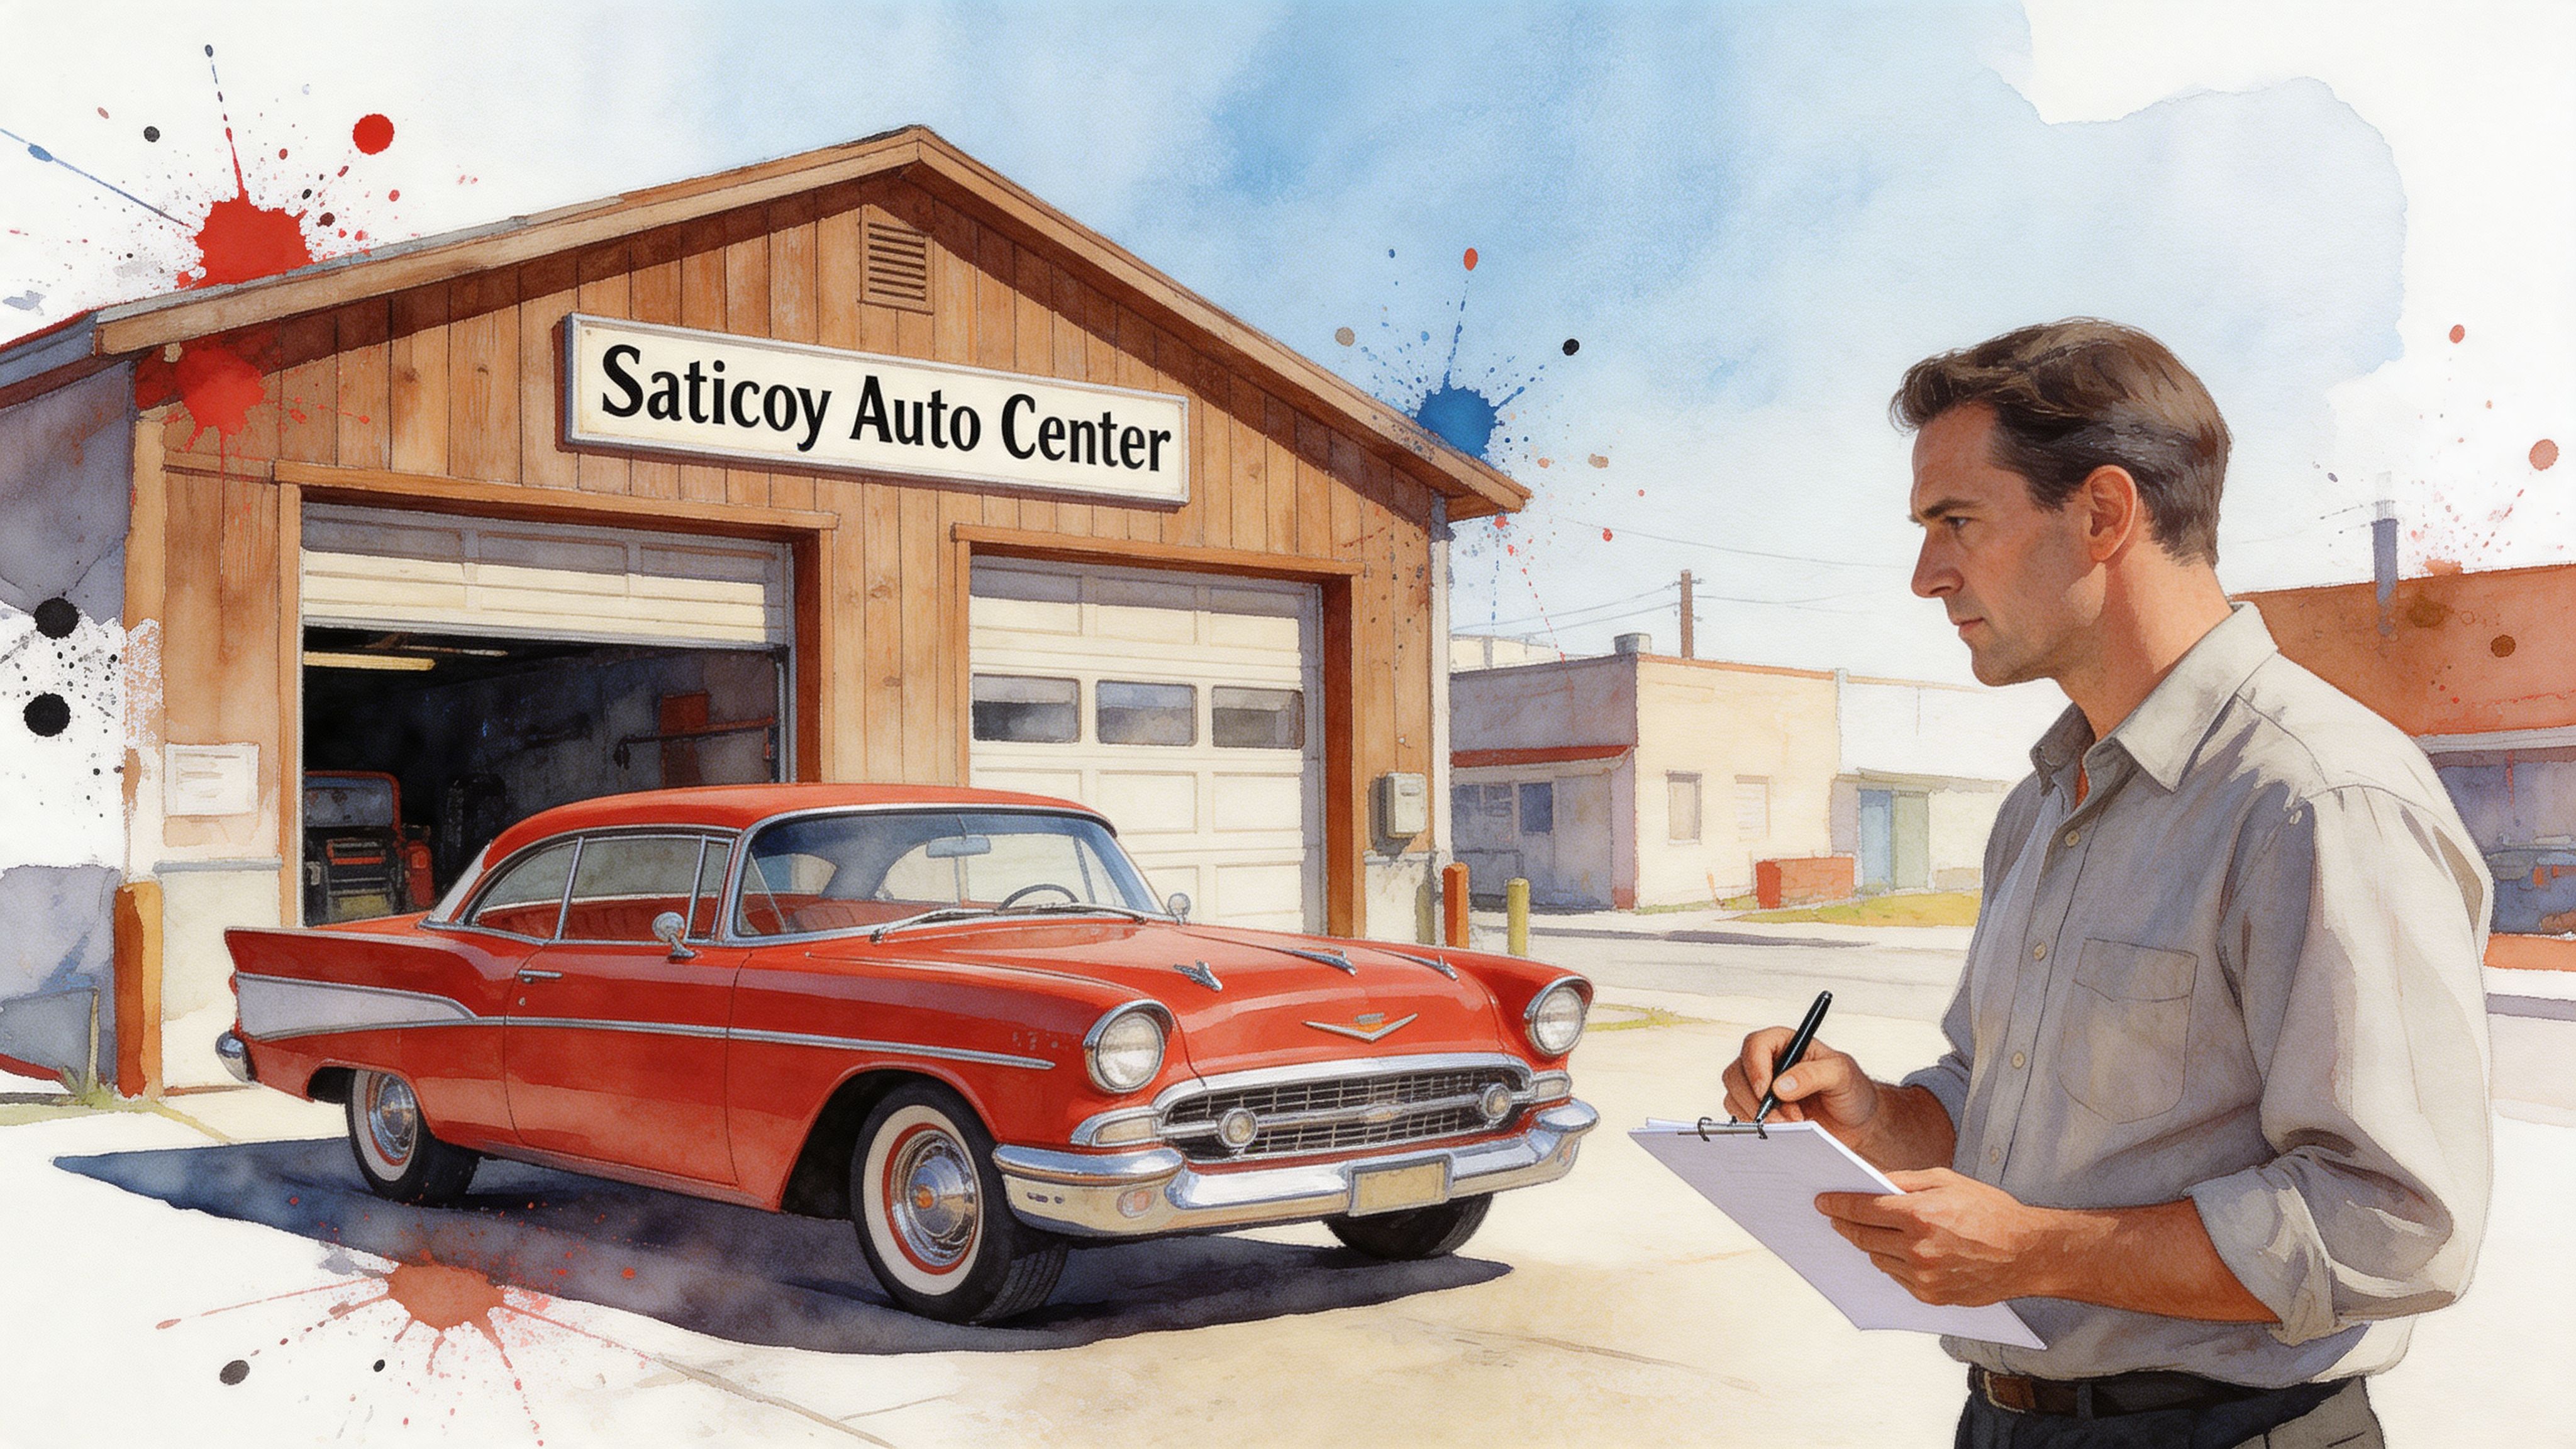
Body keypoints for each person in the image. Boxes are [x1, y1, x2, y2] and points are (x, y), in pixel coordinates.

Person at [1722, 319, 2493, 1448]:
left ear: (2102, 515)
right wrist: (1879, 1117)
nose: (1927, 573)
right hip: (2009, 1423)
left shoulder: (2317, 800)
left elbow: (2400, 1223)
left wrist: (2039, 1251)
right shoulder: (2044, 804)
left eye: (1956, 522)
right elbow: (1995, 1098)